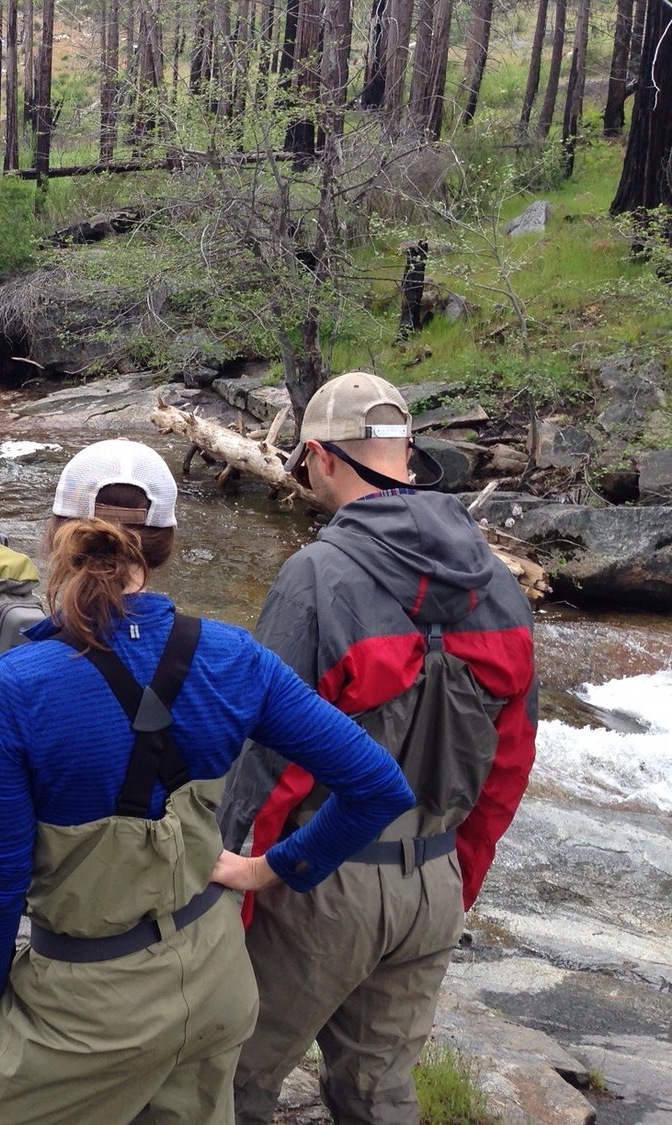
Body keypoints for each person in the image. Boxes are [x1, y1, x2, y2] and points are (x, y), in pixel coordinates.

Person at [0, 438, 416, 1125]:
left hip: (85, 1010)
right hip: (216, 979)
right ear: (162, 546)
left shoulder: (17, 684)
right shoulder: (231, 654)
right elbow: (377, 785)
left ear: (56, 535)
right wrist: (266, 869)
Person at [219, 371, 538, 1125]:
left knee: (230, 1077)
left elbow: (268, 764)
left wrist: (235, 886)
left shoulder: (316, 576)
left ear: (322, 457)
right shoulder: (498, 583)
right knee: (379, 1096)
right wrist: (459, 878)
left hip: (318, 884)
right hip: (434, 882)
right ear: (407, 454)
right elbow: (509, 764)